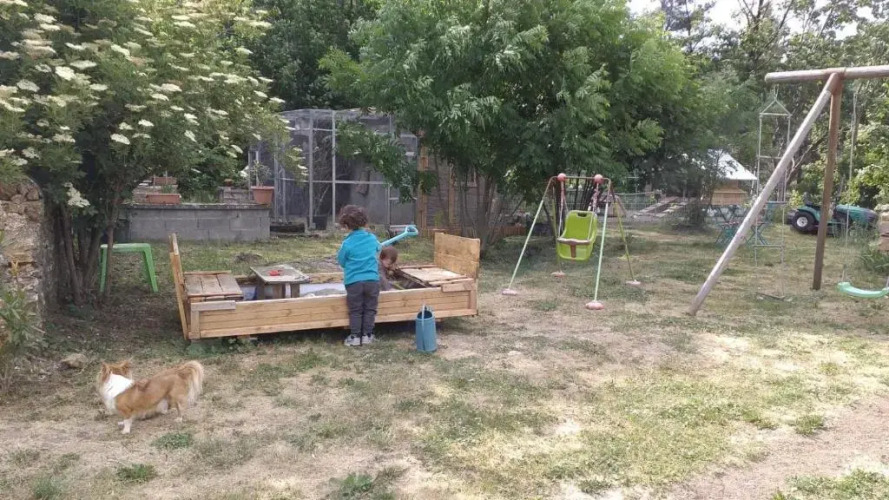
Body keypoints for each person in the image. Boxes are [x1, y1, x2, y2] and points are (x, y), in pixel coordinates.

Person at [336, 205, 381, 347]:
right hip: (372, 281)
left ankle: (355, 337)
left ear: (346, 225)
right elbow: (378, 248)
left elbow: (341, 261)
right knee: (370, 309)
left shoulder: (347, 243)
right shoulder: (372, 238)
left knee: (355, 310)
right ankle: (367, 336)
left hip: (353, 282)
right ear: (364, 222)